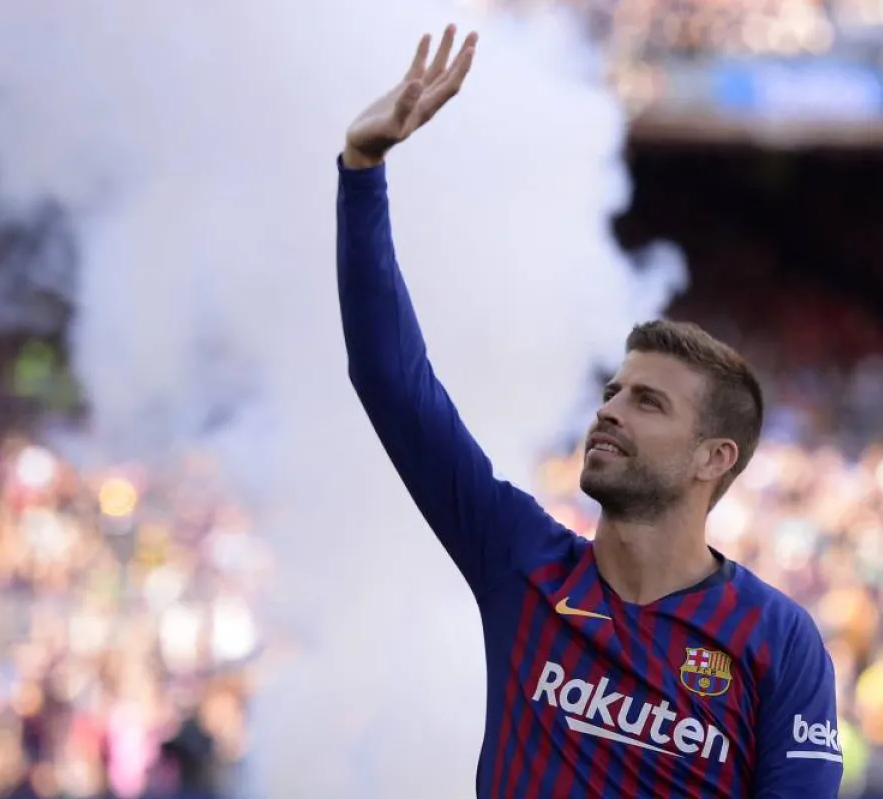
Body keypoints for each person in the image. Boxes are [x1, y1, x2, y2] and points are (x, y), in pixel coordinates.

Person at [337, 25, 844, 798]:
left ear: (713, 457)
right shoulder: (521, 559)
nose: (609, 411)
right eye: (611, 392)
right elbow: (390, 380)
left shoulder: (778, 640)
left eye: (647, 401)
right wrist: (361, 170)